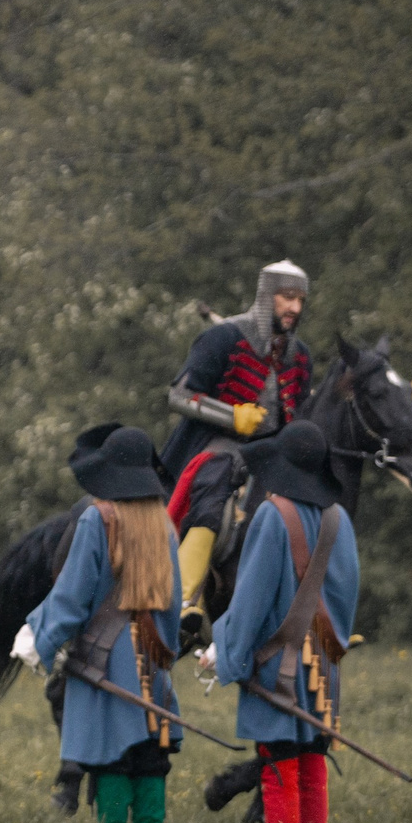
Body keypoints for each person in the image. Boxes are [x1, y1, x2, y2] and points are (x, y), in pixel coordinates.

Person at [21, 426, 183, 823]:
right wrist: (165, 652)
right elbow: (173, 603)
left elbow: (72, 596)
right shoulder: (164, 524)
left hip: (105, 660)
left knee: (112, 757)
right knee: (150, 757)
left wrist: (41, 636)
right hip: (151, 655)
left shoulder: (98, 518)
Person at [210, 422, 358, 823]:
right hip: (324, 666)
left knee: (280, 759)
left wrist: (229, 653)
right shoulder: (339, 517)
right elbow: (347, 594)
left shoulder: (273, 516)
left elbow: (250, 601)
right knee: (312, 755)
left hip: (279, 664)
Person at [159, 261, 315, 635]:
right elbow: (178, 395)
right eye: (286, 297)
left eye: (300, 300)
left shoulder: (299, 356)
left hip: (275, 452)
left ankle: (317, 611)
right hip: (221, 442)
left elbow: (300, 411)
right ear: (267, 296)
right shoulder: (223, 338)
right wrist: (233, 416)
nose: (294, 307)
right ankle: (184, 596)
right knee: (214, 483)